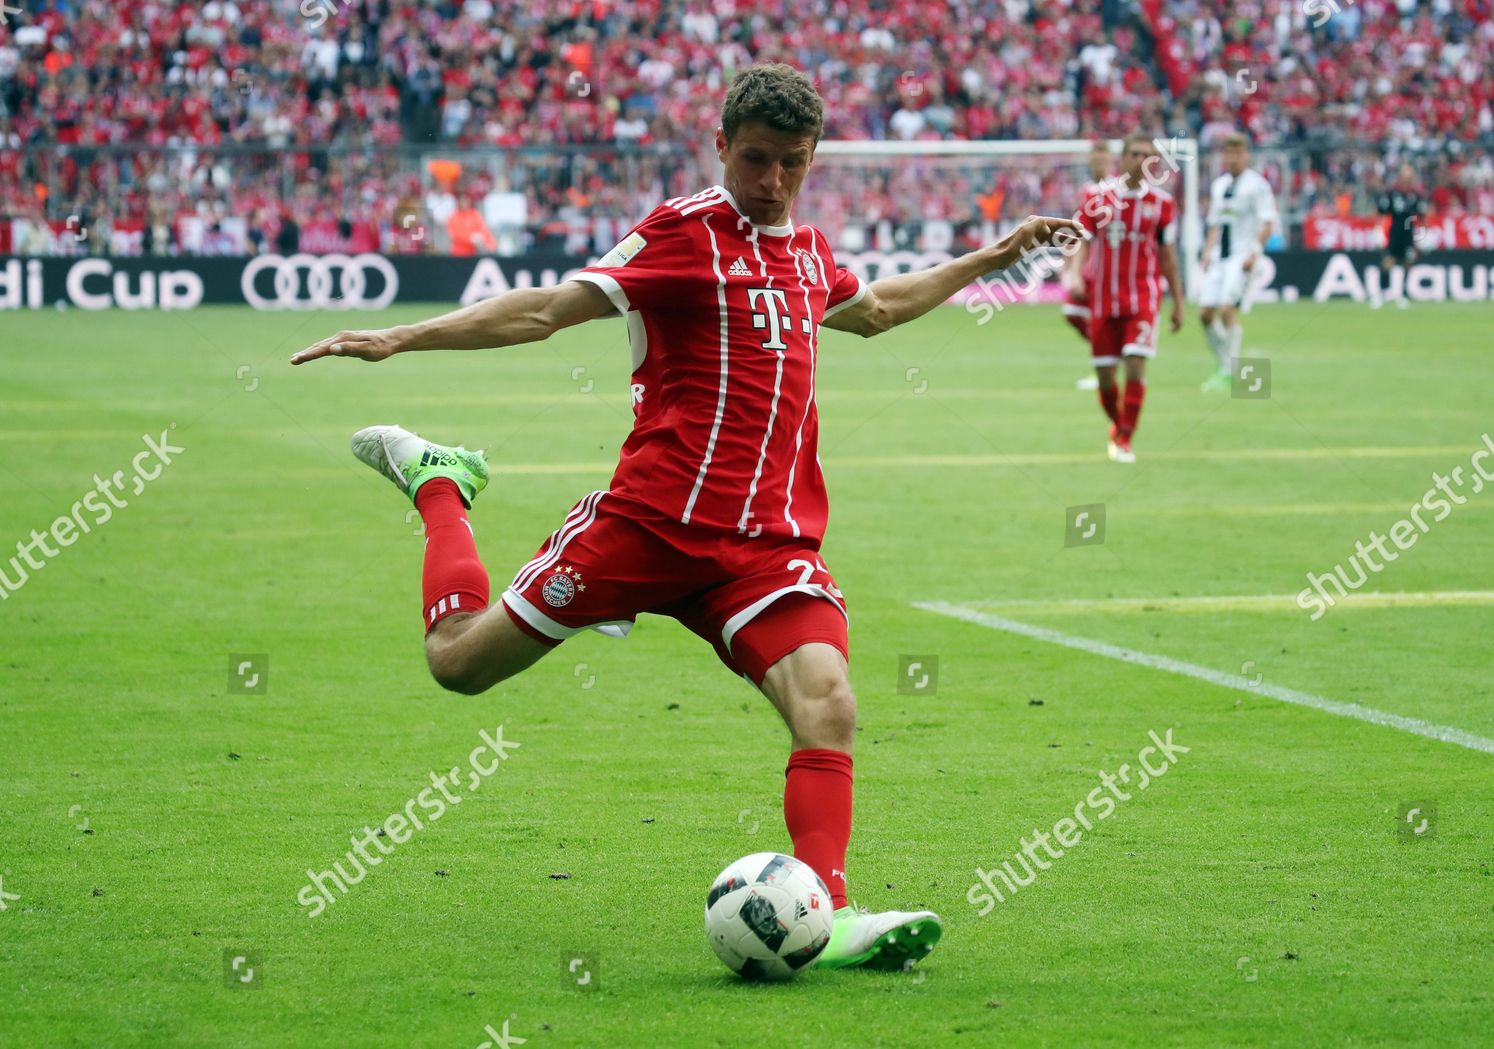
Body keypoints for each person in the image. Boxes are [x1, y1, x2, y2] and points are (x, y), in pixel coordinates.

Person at [291, 63, 1078, 972]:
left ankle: (828, 915)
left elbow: (882, 309)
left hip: (762, 548)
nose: (771, 180)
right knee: (458, 664)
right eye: (754, 159)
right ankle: (437, 482)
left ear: (812, 156)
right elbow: (546, 310)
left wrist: (992, 257)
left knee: (830, 702)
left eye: (791, 162)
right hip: (646, 526)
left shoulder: (811, 254)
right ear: (720, 146)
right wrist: (399, 337)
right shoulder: (682, 233)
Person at [1065, 133, 1185, 464]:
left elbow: (1168, 255)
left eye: (1148, 156)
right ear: (1123, 158)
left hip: (1143, 297)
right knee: (1105, 377)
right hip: (1103, 298)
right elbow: (1082, 239)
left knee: (1135, 362)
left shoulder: (1162, 204)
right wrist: (1076, 275)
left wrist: (1178, 301)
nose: (1140, 161)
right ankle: (1119, 426)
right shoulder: (1096, 196)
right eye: (1134, 154)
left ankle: (1126, 438)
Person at [1197, 133, 1276, 390]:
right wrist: (1208, 252)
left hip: (1242, 255)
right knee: (1205, 314)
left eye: (1237, 153)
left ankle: (1229, 371)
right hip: (1220, 256)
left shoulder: (1257, 185)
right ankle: (1226, 364)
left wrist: (1254, 251)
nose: (1232, 158)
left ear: (1246, 155)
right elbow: (1214, 223)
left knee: (1227, 309)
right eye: (1228, 153)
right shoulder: (1220, 185)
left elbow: (1267, 221)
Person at [1065, 141, 1115, 391]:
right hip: (1089, 267)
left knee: (1099, 320)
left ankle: (1105, 367)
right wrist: (1071, 267)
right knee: (1072, 313)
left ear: (1111, 161)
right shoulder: (1086, 191)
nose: (1099, 163)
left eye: (1103, 158)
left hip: (1110, 269)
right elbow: (1080, 231)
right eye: (1095, 158)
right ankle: (1108, 356)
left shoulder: (1118, 191)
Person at [1372, 163, 1425, 310]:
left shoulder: (1416, 195)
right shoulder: (1392, 193)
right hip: (1394, 233)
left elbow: (1421, 216)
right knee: (1388, 262)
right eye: (1405, 176)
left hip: (1408, 234)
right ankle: (1382, 293)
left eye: (1410, 176)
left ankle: (1402, 294)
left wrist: (1424, 234)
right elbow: (1382, 213)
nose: (1407, 179)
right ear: (1401, 177)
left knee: (1408, 263)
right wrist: (1377, 230)